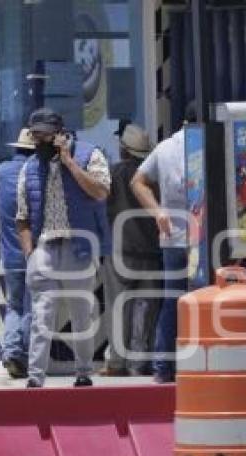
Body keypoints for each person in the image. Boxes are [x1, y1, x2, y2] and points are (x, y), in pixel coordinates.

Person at [16, 108, 112, 388]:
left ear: (59, 134)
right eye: (35, 137)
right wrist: (29, 253)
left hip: (78, 247)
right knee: (41, 316)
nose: (39, 142)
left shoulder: (90, 155)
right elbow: (21, 216)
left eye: (44, 136)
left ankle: (83, 372)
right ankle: (35, 378)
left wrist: (69, 163)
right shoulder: (30, 167)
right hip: (44, 249)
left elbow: (101, 191)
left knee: (81, 313)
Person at [131, 102, 195, 383]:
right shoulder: (211, 141)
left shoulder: (165, 147)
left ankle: (163, 368)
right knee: (204, 302)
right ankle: (197, 365)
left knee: (173, 302)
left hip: (173, 238)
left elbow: (138, 181)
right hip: (204, 239)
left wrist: (157, 212)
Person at [100, 124, 161, 377]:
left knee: (118, 307)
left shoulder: (112, 174)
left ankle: (116, 362)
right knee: (146, 309)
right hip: (152, 250)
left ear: (123, 150)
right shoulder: (153, 177)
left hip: (119, 251)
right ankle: (139, 363)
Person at [0, 128, 35, 379]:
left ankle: (10, 351)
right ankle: (22, 356)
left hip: (9, 253)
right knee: (31, 306)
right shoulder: (35, 172)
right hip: (32, 250)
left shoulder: (2, 171)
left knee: (14, 305)